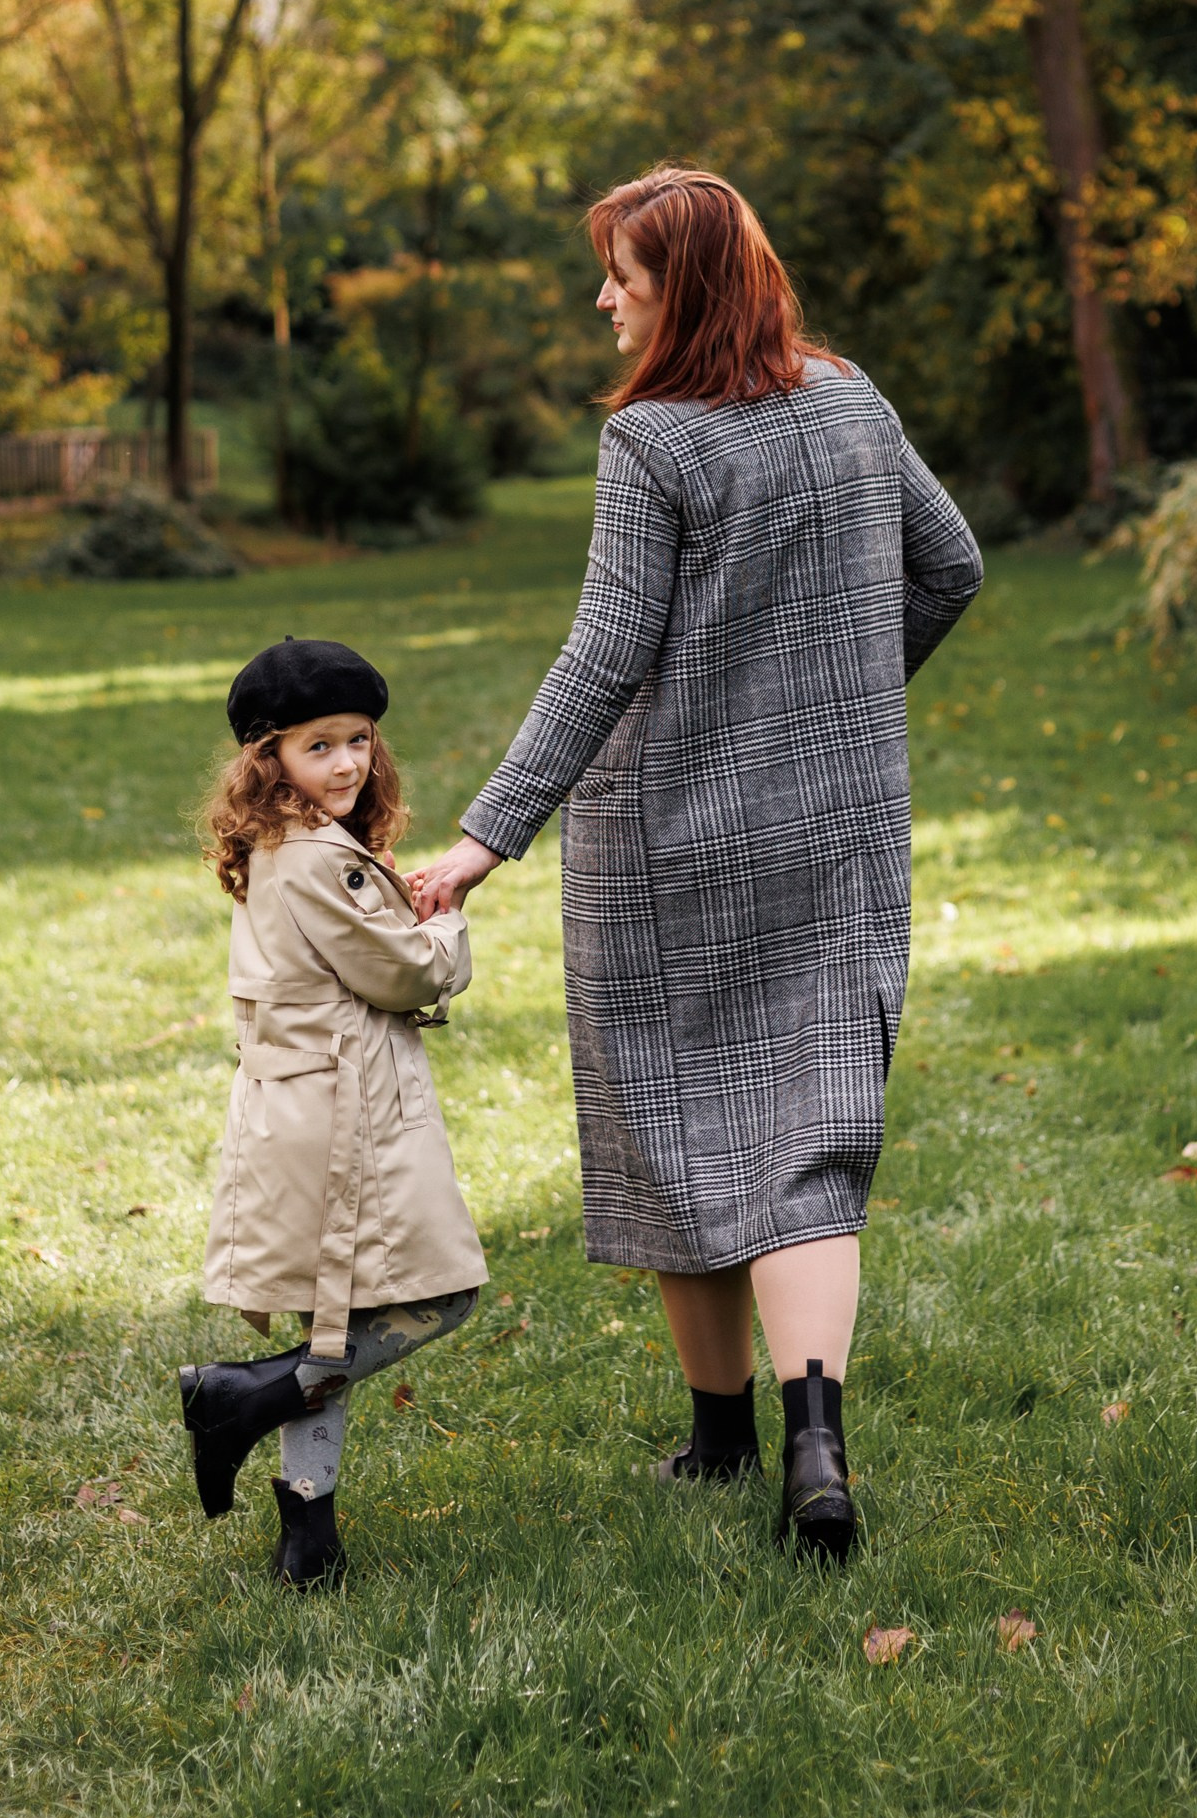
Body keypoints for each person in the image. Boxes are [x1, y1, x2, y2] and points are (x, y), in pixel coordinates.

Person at [410, 168, 982, 1562]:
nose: (606, 298)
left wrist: (488, 836)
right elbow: (951, 564)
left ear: (689, 289)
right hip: (840, 825)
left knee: (676, 1117)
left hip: (667, 838)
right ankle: (811, 1447)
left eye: (626, 275)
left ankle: (721, 1437)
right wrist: (840, 705)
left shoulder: (655, 441)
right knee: (810, 1137)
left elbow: (608, 652)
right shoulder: (853, 401)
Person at [180, 636, 486, 1590]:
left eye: (359, 739)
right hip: (345, 1120)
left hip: (296, 1106)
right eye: (319, 746)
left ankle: (306, 1544)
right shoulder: (320, 859)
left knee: (333, 1321)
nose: (348, 761)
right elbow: (407, 973)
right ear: (267, 762)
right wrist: (443, 920)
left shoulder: (286, 846)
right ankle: (243, 1395)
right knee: (443, 1296)